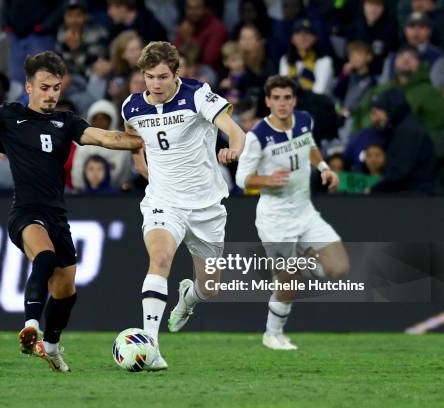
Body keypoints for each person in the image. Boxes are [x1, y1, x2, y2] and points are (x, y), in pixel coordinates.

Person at [0, 51, 142, 372]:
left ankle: (51, 344)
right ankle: (30, 325)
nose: (51, 95)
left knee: (66, 290)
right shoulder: (8, 115)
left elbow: (105, 137)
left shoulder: (67, 121)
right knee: (44, 257)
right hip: (25, 213)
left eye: (56, 88)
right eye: (44, 87)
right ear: (29, 87)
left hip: (57, 216)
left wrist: (141, 140)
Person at [122, 41, 247, 369]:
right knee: (160, 258)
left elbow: (235, 130)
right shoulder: (132, 106)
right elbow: (131, 133)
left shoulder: (197, 95)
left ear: (177, 73)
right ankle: (151, 347)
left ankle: (188, 299)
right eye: (150, 77)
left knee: (210, 289)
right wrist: (139, 160)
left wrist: (233, 148)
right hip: (164, 202)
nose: (156, 84)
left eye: (163, 76)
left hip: (206, 207)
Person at [235, 75, 349, 350]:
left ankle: (298, 262)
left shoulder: (305, 120)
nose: (282, 103)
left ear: (294, 100)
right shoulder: (257, 136)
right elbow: (242, 178)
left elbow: (309, 146)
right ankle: (272, 334)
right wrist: (267, 180)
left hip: (305, 212)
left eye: (287, 98)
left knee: (339, 267)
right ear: (268, 101)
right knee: (289, 281)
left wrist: (324, 169)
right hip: (275, 219)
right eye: (276, 98)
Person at [369, 88, 435, 194]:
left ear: (391, 108)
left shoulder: (408, 131)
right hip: (410, 195)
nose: (378, 118)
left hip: (414, 196)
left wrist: (374, 189)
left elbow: (400, 170)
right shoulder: (404, 127)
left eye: (381, 110)